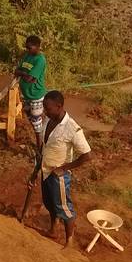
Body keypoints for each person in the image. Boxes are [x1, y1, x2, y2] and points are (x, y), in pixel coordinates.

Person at [39, 90, 92, 248]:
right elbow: (45, 146)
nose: (45, 111)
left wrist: (64, 168)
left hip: (58, 176)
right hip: (46, 171)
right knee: (50, 203)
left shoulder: (72, 128)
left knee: (64, 208)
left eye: (47, 108)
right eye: (44, 108)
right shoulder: (48, 120)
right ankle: (53, 230)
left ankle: (69, 242)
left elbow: (87, 155)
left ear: (59, 106)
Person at [14, 35, 47, 150]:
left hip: (35, 95)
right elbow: (16, 70)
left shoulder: (40, 60)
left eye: (30, 47)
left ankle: (40, 148)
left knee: (37, 124)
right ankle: (40, 141)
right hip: (26, 94)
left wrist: (22, 73)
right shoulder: (27, 56)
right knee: (32, 119)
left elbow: (29, 78)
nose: (28, 50)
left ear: (38, 47)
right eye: (26, 47)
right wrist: (23, 73)